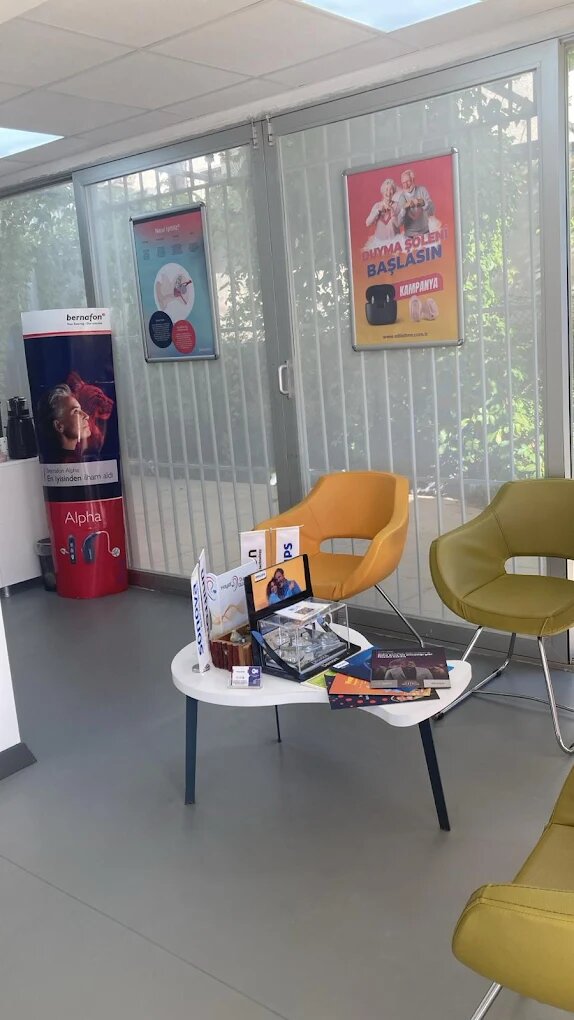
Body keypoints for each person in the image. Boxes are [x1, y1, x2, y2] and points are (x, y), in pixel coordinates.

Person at [36, 384, 91, 464]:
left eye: (81, 410)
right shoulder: (67, 463)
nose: (86, 416)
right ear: (59, 426)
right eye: (76, 411)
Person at [364, 178, 404, 250]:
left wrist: (392, 211)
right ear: (382, 191)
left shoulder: (398, 206)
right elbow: (367, 223)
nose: (388, 192)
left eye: (391, 189)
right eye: (386, 189)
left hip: (394, 243)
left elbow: (399, 224)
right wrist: (378, 211)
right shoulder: (377, 206)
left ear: (394, 191)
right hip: (379, 244)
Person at [397, 168, 435, 238]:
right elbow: (399, 223)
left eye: (407, 181)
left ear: (413, 179)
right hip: (409, 236)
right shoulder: (402, 198)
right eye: (403, 183)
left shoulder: (422, 190)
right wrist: (404, 209)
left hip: (425, 233)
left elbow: (432, 212)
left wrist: (423, 203)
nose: (406, 185)